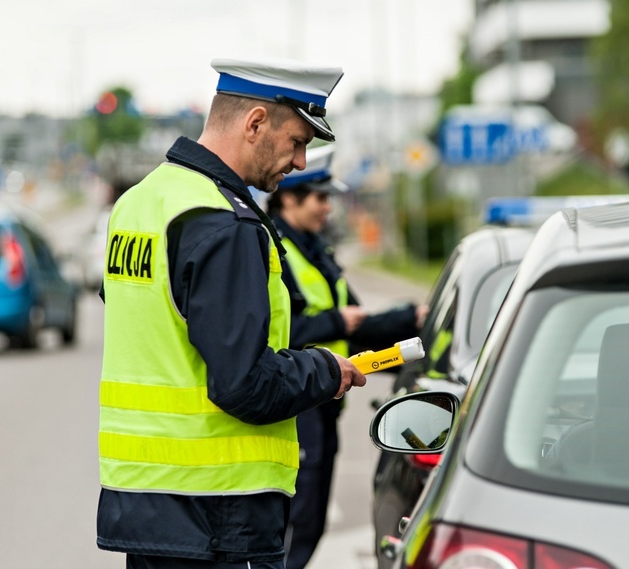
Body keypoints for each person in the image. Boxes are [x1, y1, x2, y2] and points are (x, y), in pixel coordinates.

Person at [96, 57, 368, 569]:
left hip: (145, 506)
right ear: (256, 123)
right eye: (298, 141)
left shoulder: (139, 203)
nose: (301, 163)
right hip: (220, 517)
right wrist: (325, 370)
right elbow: (244, 384)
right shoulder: (224, 224)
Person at [265, 144, 427, 569]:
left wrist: (414, 319)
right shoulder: (273, 251)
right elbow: (279, 333)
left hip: (324, 402)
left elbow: (359, 326)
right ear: (288, 197)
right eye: (320, 198)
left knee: (309, 522)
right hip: (295, 405)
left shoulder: (315, 251)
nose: (327, 208)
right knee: (294, 527)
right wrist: (336, 322)